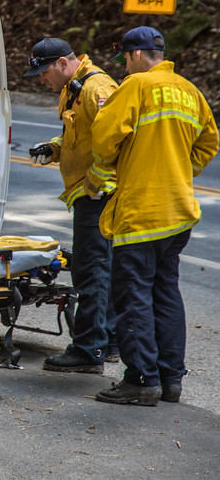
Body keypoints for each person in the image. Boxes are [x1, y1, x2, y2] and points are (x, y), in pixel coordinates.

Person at [89, 26, 218, 406]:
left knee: (133, 297)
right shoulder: (190, 91)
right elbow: (209, 142)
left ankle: (141, 379)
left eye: (125, 60)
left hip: (141, 212)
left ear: (135, 55)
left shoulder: (135, 86)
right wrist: (178, 167)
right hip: (177, 211)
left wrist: (107, 169)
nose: (126, 68)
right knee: (165, 292)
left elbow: (103, 137)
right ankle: (170, 379)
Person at [25, 37, 120, 373]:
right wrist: (54, 148)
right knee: (98, 269)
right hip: (88, 194)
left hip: (98, 195)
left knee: (91, 271)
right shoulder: (73, 89)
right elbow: (77, 137)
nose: (41, 80)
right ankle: (106, 342)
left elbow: (118, 139)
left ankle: (89, 348)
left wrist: (95, 182)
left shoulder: (97, 88)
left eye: (44, 71)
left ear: (63, 63)